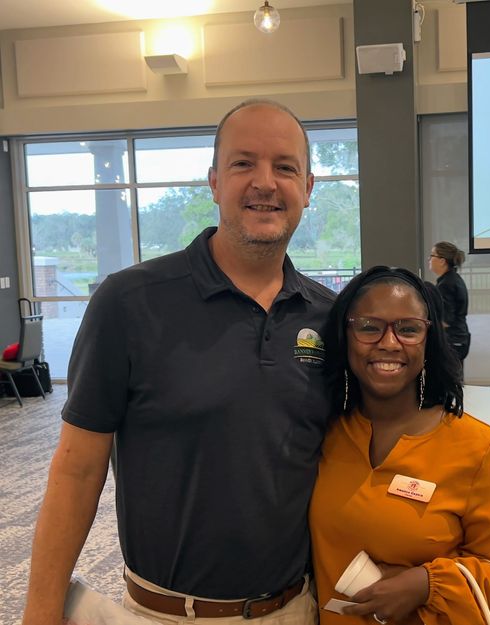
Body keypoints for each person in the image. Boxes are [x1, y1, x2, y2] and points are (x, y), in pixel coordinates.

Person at [22, 99, 334, 625]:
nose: (265, 182)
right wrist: (41, 611)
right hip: (166, 615)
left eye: (285, 167)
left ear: (308, 187)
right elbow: (77, 471)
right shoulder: (129, 302)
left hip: (298, 609)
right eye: (243, 163)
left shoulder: (328, 317)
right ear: (213, 182)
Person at [311, 266, 490, 624]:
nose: (389, 343)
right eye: (368, 327)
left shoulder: (480, 448)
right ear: (344, 335)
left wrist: (426, 584)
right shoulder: (328, 434)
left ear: (429, 340)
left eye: (408, 329)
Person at [428, 242, 470, 361]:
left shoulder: (446, 285)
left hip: (452, 341)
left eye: (432, 255)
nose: (429, 259)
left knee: (449, 379)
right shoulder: (452, 279)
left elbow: (445, 320)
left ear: (442, 261)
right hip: (458, 340)